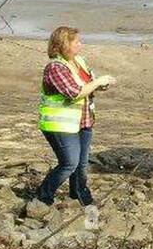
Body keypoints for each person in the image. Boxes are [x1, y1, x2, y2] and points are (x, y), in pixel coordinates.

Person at [36, 26, 115, 206]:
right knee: (69, 163)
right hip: (60, 125)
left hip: (84, 120)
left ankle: (79, 194)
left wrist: (101, 84)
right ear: (64, 44)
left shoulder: (80, 61)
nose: (80, 44)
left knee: (81, 163)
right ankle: (43, 195)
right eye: (76, 42)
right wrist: (98, 82)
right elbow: (74, 92)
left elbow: (88, 85)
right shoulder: (55, 67)